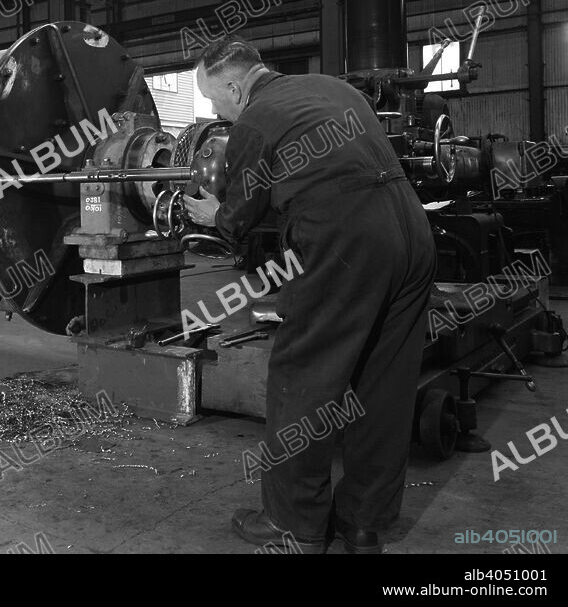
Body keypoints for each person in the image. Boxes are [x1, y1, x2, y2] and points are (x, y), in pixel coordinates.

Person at [183, 39, 436, 554]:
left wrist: (213, 215)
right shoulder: (333, 87)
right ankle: (363, 523)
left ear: (235, 86)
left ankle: (293, 524)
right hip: (411, 232)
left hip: (345, 242)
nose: (215, 113)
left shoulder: (255, 120)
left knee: (302, 379)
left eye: (214, 101)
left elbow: (239, 219)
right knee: (384, 385)